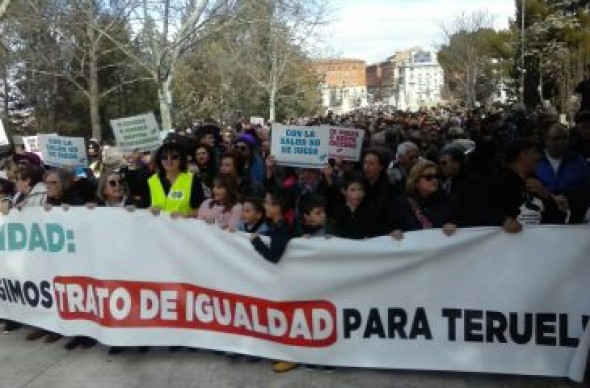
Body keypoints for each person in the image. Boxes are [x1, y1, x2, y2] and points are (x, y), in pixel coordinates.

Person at [486, 140, 567, 232]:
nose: (538, 157)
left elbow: (557, 220)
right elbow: (481, 211)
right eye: (535, 152)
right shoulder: (498, 182)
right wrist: (503, 220)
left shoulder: (537, 182)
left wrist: (547, 196)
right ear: (523, 154)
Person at [388, 160, 458, 239]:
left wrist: (453, 225)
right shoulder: (401, 203)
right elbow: (391, 226)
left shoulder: (448, 200)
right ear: (416, 181)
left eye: (436, 176)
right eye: (429, 177)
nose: (434, 180)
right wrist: (395, 231)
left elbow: (460, 222)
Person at [535, 122, 590, 223]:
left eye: (564, 138)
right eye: (555, 139)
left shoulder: (579, 161)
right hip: (542, 218)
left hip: (574, 217)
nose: (561, 142)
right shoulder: (535, 161)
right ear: (546, 141)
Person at [147, 143, 204, 217]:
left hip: (185, 226)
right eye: (164, 157)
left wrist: (185, 214)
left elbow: (202, 209)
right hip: (159, 226)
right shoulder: (151, 181)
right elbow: (143, 208)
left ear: (181, 159)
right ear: (160, 160)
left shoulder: (192, 179)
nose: (169, 160)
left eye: (174, 157)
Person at [250, 188, 292, 264]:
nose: (263, 205)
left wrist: (256, 241)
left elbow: (273, 257)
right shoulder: (277, 225)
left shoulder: (282, 229)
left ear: (278, 206)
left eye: (266, 202)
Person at [331, 172, 372, 240]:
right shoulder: (337, 213)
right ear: (343, 191)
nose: (357, 193)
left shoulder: (370, 212)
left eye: (360, 189)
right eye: (352, 190)